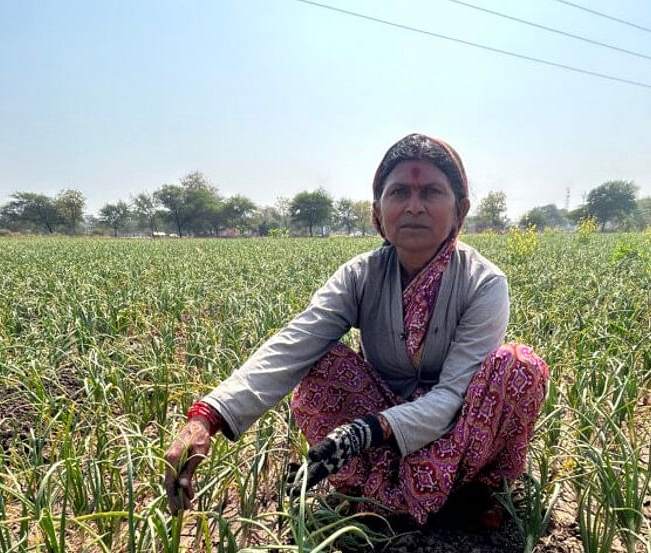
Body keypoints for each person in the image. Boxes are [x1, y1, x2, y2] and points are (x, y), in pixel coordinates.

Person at [162, 133, 549, 525]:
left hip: (455, 427)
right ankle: (380, 493)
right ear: (378, 212)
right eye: (399, 192)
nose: (414, 206)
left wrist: (364, 432)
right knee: (319, 363)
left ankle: (470, 491)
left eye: (431, 191)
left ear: (460, 209)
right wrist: (206, 418)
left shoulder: (483, 283)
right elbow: (296, 344)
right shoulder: (360, 276)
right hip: (381, 423)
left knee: (519, 366)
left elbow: (451, 396)